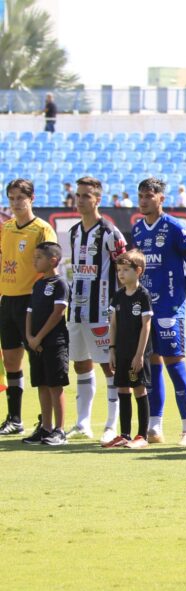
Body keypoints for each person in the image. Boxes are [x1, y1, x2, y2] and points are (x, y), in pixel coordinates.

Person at [130, 177, 186, 445]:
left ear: (161, 198)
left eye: (149, 195)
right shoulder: (138, 230)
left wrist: (180, 294)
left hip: (170, 310)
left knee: (175, 364)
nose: (143, 200)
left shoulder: (176, 228)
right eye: (140, 195)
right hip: (146, 310)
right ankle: (155, 426)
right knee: (152, 367)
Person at [64, 176, 126, 442]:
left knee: (108, 366)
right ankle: (82, 423)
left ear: (97, 199)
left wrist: (118, 305)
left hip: (102, 310)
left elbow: (125, 267)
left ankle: (111, 424)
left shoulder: (110, 232)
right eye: (78, 195)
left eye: (86, 195)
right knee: (80, 364)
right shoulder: (75, 231)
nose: (80, 200)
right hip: (77, 311)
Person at [0, 178, 58, 435]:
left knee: (38, 359)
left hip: (31, 300)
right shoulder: (7, 227)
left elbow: (52, 265)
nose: (15, 204)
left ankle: (45, 420)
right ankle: (14, 418)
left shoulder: (42, 229)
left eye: (19, 199)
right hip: (8, 298)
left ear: (31, 199)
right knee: (11, 360)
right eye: (11, 199)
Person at [102, 250, 153, 449]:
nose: (121, 274)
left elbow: (146, 326)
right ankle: (124, 434)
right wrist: (112, 350)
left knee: (139, 389)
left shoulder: (143, 296)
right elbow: (112, 324)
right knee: (122, 387)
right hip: (121, 351)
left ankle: (142, 436)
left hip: (136, 353)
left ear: (138, 271)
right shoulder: (118, 296)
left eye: (125, 270)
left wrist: (140, 354)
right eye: (118, 270)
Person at [22, 242, 69, 446]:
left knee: (55, 385)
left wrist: (39, 337)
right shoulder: (38, 284)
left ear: (53, 261)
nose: (34, 261)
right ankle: (46, 427)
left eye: (38, 258)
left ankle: (60, 430)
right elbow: (30, 313)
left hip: (54, 342)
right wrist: (30, 338)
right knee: (41, 383)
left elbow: (57, 313)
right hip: (35, 343)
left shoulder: (60, 284)